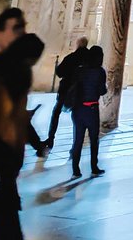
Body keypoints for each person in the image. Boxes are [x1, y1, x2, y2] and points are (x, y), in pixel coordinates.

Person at [0, 28, 44, 240]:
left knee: (4, 230)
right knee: (7, 230)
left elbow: (17, 120)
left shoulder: (11, 71)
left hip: (2, 170)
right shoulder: (4, 75)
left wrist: (35, 143)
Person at [0, 9, 46, 158]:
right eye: (16, 28)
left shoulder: (20, 68)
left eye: (23, 28)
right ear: (0, 31)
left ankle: (38, 145)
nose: (21, 34)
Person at [44, 37, 89, 152]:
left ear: (78, 44)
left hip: (66, 90)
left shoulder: (71, 57)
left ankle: (51, 139)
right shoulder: (89, 58)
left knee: (56, 113)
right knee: (78, 117)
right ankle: (76, 144)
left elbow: (59, 72)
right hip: (82, 91)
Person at [69, 46, 106, 178]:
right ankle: (94, 167)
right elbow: (102, 91)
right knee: (94, 139)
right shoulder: (100, 72)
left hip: (77, 109)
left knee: (77, 140)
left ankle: (75, 170)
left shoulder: (79, 70)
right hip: (92, 109)